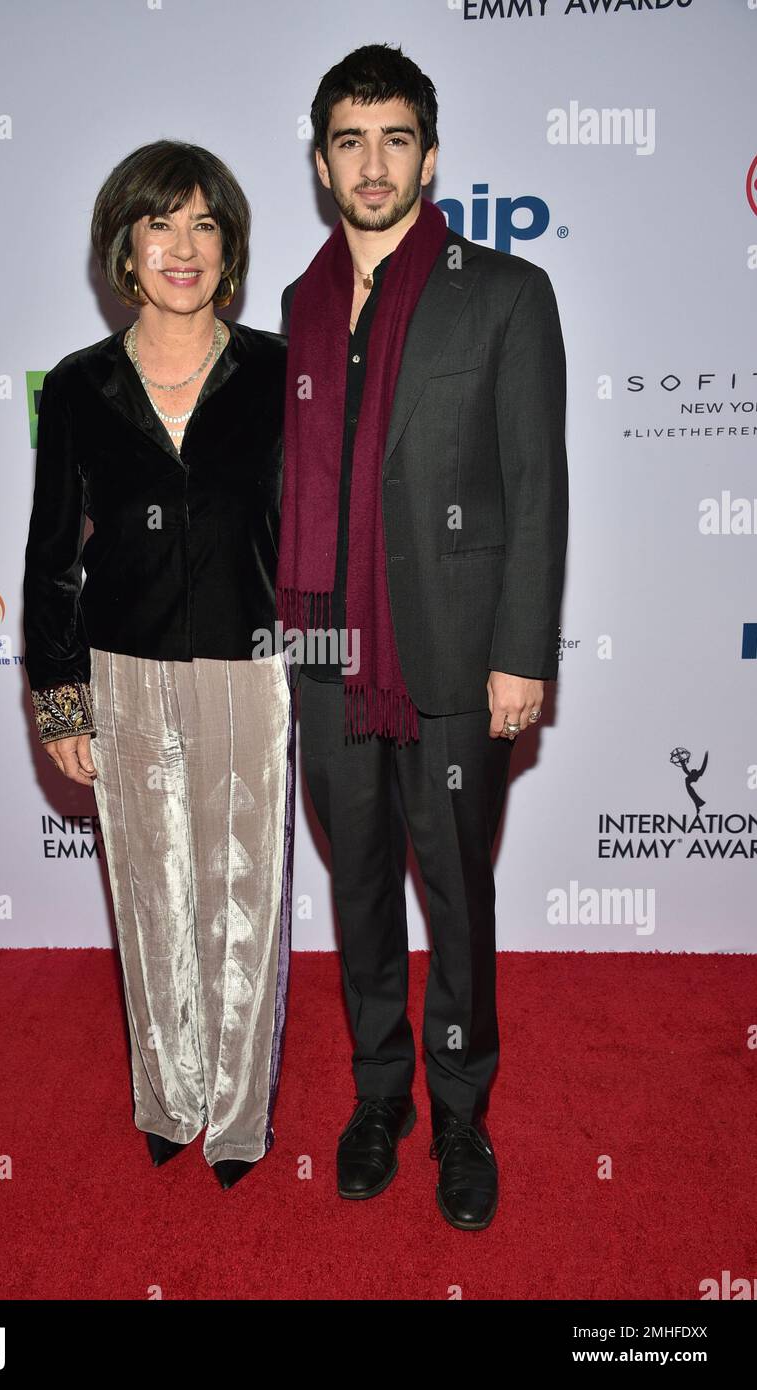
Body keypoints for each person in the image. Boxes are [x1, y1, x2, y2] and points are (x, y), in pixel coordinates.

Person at [278, 44, 568, 1229]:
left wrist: (523, 653)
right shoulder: (295, 306)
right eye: (351, 140)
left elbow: (535, 488)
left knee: (453, 890)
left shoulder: (501, 291)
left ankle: (460, 1109)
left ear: (430, 155)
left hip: (453, 658)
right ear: (321, 162)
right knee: (354, 887)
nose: (374, 162)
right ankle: (378, 1094)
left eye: (396, 138)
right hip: (326, 659)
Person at [22, 140, 293, 1190]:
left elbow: (318, 528)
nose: (182, 246)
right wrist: (60, 702)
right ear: (124, 248)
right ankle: (168, 1097)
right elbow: (51, 552)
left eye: (204, 224)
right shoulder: (83, 386)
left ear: (228, 249)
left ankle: (234, 1116)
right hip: (121, 666)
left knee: (244, 895)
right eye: (159, 224)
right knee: (148, 889)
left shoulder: (278, 372)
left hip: (249, 662)